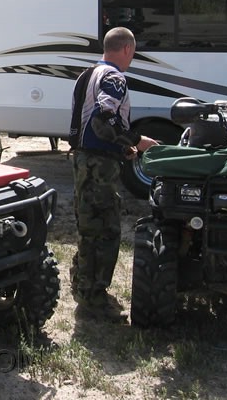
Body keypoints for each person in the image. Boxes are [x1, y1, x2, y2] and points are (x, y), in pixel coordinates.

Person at [69, 26, 158, 322]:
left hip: (83, 159)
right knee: (106, 230)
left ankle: (81, 284)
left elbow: (87, 125)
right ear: (127, 50)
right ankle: (94, 298)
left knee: (87, 224)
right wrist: (136, 141)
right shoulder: (114, 77)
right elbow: (104, 117)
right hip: (98, 166)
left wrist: (121, 149)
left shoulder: (87, 74)